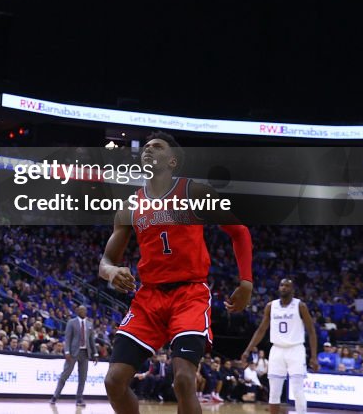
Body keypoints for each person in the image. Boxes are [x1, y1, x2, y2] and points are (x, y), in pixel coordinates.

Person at [99, 133, 253, 414]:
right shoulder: (130, 205)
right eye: (145, 147)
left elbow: (239, 232)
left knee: (183, 379)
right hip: (148, 298)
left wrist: (246, 281)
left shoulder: (194, 192)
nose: (148, 150)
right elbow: (106, 260)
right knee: (114, 381)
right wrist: (111, 272)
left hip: (189, 294)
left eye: (156, 147)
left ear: (172, 161)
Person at [241, 278, 318, 414]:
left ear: (292, 290)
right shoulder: (271, 306)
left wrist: (313, 356)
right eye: (282, 285)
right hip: (276, 349)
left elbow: (311, 331)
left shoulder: (300, 306)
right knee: (274, 391)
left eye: (287, 286)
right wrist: (247, 350)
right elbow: (261, 329)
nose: (284, 288)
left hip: (296, 349)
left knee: (297, 390)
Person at [51, 304, 98, 405]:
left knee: (83, 377)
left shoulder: (89, 324)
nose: (83, 312)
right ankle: (55, 396)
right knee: (65, 375)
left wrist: (95, 353)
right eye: (81, 310)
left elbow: (91, 340)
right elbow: (67, 338)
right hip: (73, 353)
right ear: (77, 312)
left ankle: (79, 399)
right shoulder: (71, 322)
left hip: (85, 353)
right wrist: (67, 351)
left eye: (84, 310)